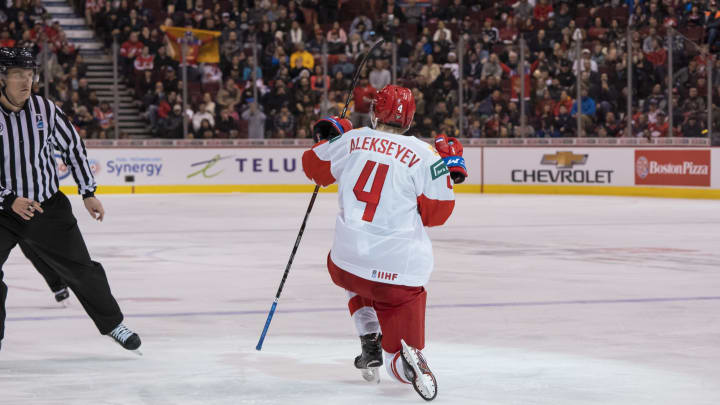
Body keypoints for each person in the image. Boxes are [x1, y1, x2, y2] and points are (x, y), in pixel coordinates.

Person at [301, 85, 467, 401]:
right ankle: (404, 359)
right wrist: (446, 168)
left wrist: (331, 136)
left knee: (352, 268)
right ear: (411, 117)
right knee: (398, 356)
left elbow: (313, 167)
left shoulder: (353, 139)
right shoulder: (424, 154)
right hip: (399, 275)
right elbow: (437, 214)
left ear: (376, 113)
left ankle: (368, 338)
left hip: (346, 263)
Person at [0, 48, 141, 352]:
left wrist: (88, 192)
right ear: (2, 79)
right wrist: (8, 199)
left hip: (46, 207)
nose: (27, 82)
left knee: (81, 268)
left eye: (30, 75)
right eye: (17, 76)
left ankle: (113, 324)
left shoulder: (44, 110)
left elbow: (73, 148)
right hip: (2, 211)